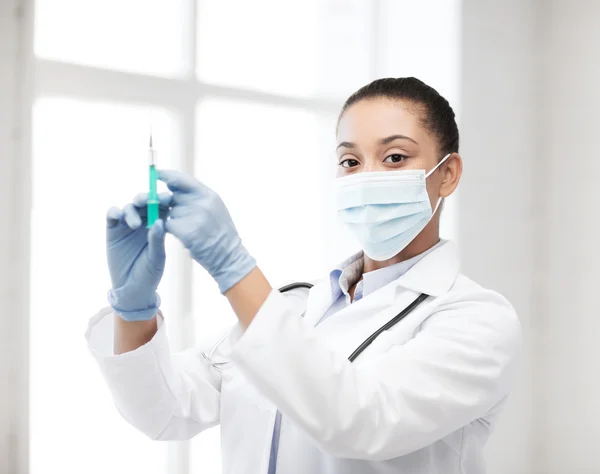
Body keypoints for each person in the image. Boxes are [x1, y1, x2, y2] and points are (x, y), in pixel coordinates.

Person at [87, 77, 521, 474]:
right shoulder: (294, 306)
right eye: (349, 161)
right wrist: (133, 308)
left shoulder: (476, 320)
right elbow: (165, 409)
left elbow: (362, 420)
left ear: (447, 174)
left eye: (394, 157)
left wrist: (233, 266)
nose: (366, 176)